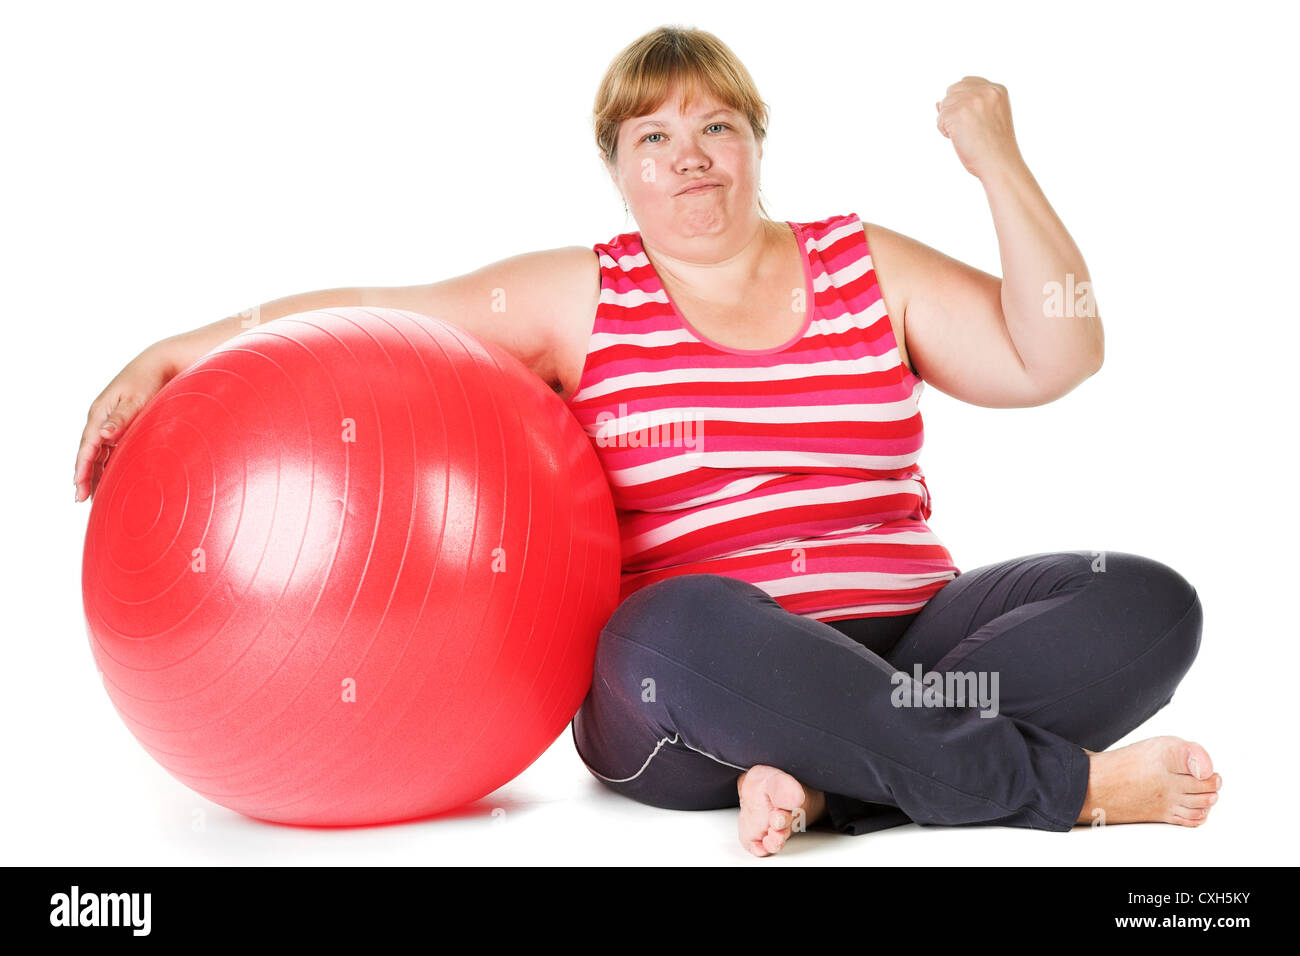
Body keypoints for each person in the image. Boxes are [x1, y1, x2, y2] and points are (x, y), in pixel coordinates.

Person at [74, 26, 1220, 858]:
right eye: (651, 134)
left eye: (716, 124)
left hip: (921, 650)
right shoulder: (584, 295)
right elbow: (386, 306)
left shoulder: (860, 263)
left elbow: (1059, 350)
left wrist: (995, 159)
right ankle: (1060, 789)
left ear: (756, 143)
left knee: (1147, 601)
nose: (688, 154)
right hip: (691, 699)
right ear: (617, 167)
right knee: (673, 617)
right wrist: (182, 348)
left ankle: (833, 785)